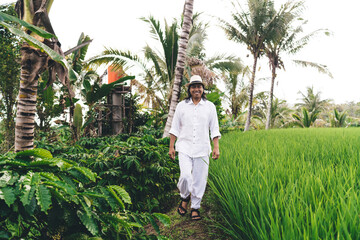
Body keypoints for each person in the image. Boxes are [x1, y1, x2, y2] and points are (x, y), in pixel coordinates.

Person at [168, 75, 221, 221]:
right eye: (193, 86)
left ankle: (195, 207)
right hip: (184, 147)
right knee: (185, 176)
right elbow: (174, 128)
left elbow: (214, 129)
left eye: (199, 86)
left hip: (203, 148)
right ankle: (185, 197)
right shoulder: (181, 106)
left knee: (200, 179)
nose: (196, 89)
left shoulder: (210, 107)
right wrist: (171, 146)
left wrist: (216, 147)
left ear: (203, 89)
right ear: (189, 89)